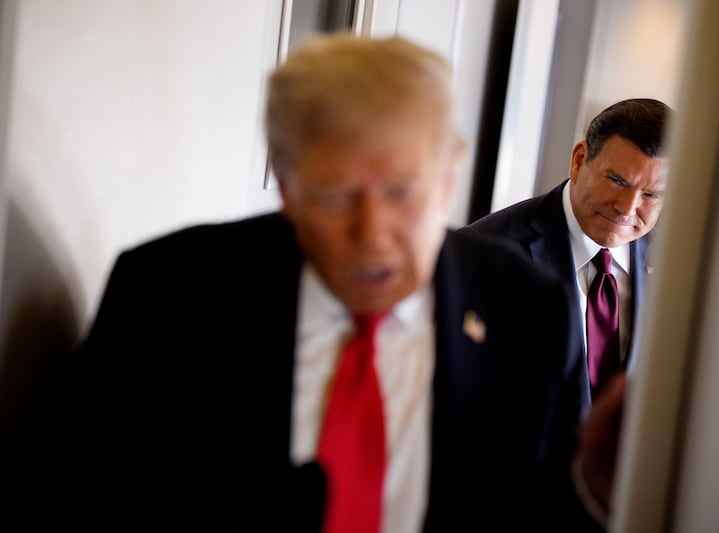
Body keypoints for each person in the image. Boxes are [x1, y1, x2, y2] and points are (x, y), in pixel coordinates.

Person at [9, 34, 618, 532]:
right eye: (334, 196)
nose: (373, 232)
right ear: (289, 183)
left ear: (449, 173)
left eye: (403, 192)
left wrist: (596, 489)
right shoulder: (167, 293)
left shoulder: (528, 311)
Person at [466, 98, 671, 402]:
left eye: (651, 194)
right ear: (579, 160)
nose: (627, 208)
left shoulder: (676, 265)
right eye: (616, 181)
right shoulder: (482, 254)